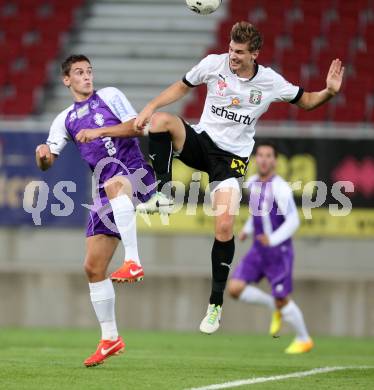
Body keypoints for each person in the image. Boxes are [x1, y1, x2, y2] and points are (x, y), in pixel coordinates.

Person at [133, 21, 344, 334]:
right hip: (202, 142)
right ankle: (163, 195)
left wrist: (328, 91)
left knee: (224, 225)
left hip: (231, 160)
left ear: (255, 54)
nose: (233, 56)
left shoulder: (270, 81)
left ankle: (215, 305)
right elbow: (182, 86)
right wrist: (149, 106)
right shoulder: (213, 64)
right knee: (161, 121)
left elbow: (308, 102)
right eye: (231, 49)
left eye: (240, 52)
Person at [35, 54, 155, 366]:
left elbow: (138, 127)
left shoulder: (110, 95)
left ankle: (133, 262)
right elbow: (48, 162)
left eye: (89, 71)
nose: (87, 77)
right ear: (67, 80)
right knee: (92, 267)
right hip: (104, 190)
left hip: (137, 172)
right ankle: (110, 338)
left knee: (116, 184)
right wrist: (43, 156)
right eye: (79, 73)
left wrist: (101, 132)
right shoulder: (64, 120)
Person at [228, 141, 313, 354]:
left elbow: (294, 221)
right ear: (256, 159)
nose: (264, 159)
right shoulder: (253, 182)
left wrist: (273, 239)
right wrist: (247, 229)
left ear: (275, 161)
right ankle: (273, 306)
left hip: (278, 252)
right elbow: (258, 213)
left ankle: (304, 339)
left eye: (268, 155)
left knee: (283, 298)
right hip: (258, 250)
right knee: (234, 288)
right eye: (261, 155)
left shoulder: (280, 187)